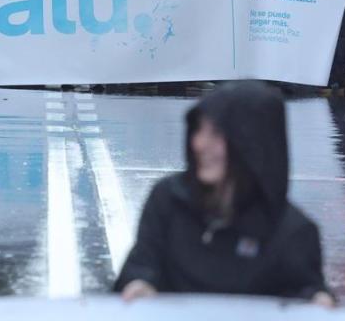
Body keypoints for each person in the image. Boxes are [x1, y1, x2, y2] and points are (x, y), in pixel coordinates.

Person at [113, 81, 333, 304]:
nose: (200, 143)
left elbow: (306, 293)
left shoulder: (292, 233)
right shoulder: (168, 200)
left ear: (252, 142)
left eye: (216, 133)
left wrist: (317, 301)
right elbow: (141, 266)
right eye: (199, 129)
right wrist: (138, 285)